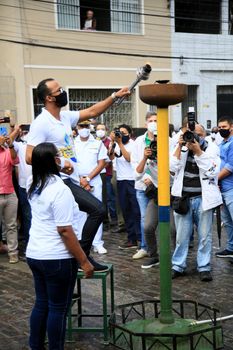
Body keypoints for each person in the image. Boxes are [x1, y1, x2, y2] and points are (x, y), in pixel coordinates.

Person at [26, 78, 129, 271]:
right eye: (59, 90)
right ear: (49, 97)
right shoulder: (42, 123)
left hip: (71, 179)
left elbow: (92, 112)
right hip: (57, 181)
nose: (63, 92)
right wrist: (60, 164)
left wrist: (114, 96)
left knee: (81, 218)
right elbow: (29, 156)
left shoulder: (64, 117)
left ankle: (79, 258)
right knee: (97, 210)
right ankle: (82, 257)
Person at [26, 142, 94, 350]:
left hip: (35, 253)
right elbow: (64, 230)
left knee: (42, 303)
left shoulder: (33, 182)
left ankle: (35, 345)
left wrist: (61, 167)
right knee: (57, 308)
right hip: (56, 257)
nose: (61, 159)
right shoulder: (59, 190)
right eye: (58, 156)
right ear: (53, 160)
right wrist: (84, 261)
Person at [170, 124, 222, 282]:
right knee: (181, 236)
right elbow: (172, 168)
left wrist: (198, 151)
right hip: (183, 198)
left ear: (204, 135)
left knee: (205, 236)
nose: (194, 137)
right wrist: (180, 146)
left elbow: (212, 171)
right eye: (190, 134)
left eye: (198, 134)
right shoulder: (178, 145)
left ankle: (204, 266)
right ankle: (178, 265)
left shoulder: (212, 148)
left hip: (203, 198)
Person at [74, 120, 108, 254]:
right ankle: (82, 241)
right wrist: (80, 180)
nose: (84, 129)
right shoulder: (71, 143)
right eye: (81, 126)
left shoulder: (98, 143)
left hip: (94, 180)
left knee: (97, 211)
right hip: (76, 180)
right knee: (80, 213)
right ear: (77, 127)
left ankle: (97, 243)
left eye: (86, 126)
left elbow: (101, 164)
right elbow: (69, 162)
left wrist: (88, 179)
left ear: (90, 127)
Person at [109, 124, 141, 250]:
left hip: (132, 180)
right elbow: (110, 157)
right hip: (121, 180)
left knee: (136, 211)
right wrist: (113, 143)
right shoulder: (116, 143)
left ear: (130, 133)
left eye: (124, 133)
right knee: (126, 210)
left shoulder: (133, 144)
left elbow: (128, 158)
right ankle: (131, 238)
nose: (121, 135)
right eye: (119, 132)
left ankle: (140, 238)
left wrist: (120, 143)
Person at [215, 116, 233, 259]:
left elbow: (230, 167)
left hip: (231, 188)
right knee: (227, 221)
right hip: (223, 189)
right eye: (219, 127)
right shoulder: (221, 144)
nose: (221, 130)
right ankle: (231, 248)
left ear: (231, 127)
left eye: (224, 127)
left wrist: (214, 179)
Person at [0, 133, 19, 263]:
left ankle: (13, 253)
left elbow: (15, 160)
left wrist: (10, 144)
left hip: (10, 193)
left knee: (11, 225)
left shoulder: (7, 151)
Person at [96, 123, 118, 228]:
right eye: (98, 129)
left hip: (108, 173)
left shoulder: (110, 142)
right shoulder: (94, 142)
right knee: (101, 198)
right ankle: (104, 219)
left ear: (106, 130)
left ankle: (113, 219)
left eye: (102, 129)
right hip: (96, 174)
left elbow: (109, 159)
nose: (100, 131)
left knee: (110, 197)